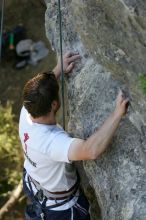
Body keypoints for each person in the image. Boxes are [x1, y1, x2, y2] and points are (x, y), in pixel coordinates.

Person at [19, 51, 129, 220]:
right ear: (54, 104)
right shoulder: (52, 143)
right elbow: (91, 150)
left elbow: (38, 91)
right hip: (60, 209)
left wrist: (57, 69)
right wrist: (117, 113)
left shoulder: (27, 110)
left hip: (33, 182)